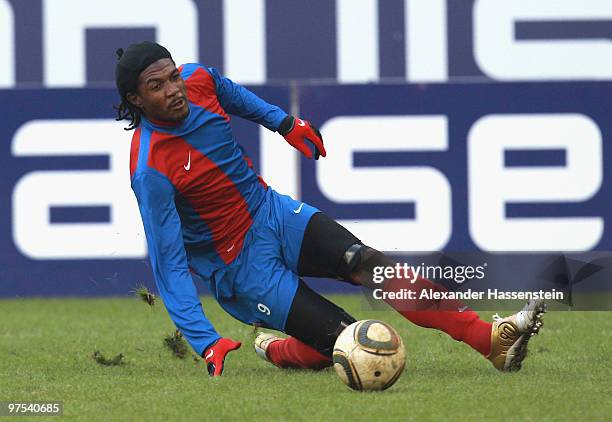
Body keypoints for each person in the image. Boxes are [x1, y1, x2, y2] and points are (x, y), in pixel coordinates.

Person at [115, 41, 545, 377]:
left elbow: (229, 92)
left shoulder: (198, 80)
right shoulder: (150, 168)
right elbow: (169, 264)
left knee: (367, 263)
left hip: (271, 214)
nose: (174, 90)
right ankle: (279, 350)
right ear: (135, 98)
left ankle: (490, 341)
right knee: (350, 341)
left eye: (173, 77)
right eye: (157, 86)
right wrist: (205, 340)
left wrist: (284, 123)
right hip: (241, 269)